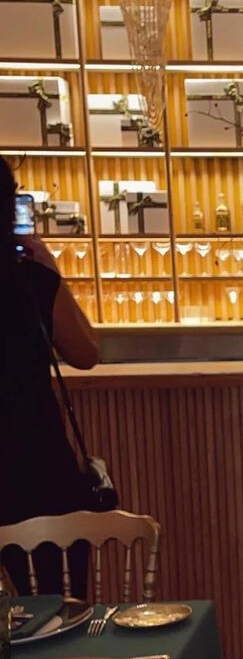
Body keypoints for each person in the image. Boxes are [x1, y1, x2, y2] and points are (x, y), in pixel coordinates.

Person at [0, 158, 100, 598]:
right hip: (36, 466)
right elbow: (87, 353)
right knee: (59, 607)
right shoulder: (30, 279)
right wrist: (53, 273)